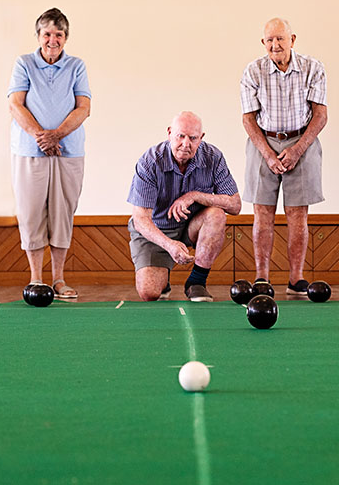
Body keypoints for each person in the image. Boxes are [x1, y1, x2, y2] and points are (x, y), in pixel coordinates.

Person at [240, 18, 328, 295]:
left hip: (303, 140)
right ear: (263, 43)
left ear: (292, 39)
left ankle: (296, 279)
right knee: (262, 213)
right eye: (270, 40)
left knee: (298, 215)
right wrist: (268, 154)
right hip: (263, 141)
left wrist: (298, 149)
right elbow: (248, 119)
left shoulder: (314, 68)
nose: (275, 45)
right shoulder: (252, 71)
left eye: (280, 38)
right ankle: (262, 278)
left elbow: (321, 115)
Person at [8, 8, 91, 299]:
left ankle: (58, 279)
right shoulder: (25, 63)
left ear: (65, 37)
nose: (52, 40)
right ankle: (36, 280)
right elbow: (16, 105)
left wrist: (57, 135)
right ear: (39, 36)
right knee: (31, 214)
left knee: (62, 215)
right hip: (30, 151)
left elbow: (83, 108)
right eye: (47, 34)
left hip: (68, 152)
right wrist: (40, 137)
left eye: (59, 34)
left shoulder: (76, 66)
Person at [127, 112, 241, 302]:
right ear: (170, 133)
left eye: (193, 138)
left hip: (192, 226)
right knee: (149, 292)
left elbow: (235, 205)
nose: (186, 144)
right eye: (180, 136)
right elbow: (140, 220)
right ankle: (164, 279)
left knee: (217, 214)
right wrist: (169, 245)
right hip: (157, 230)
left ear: (201, 138)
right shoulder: (149, 161)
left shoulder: (214, 157)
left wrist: (195, 196)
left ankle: (196, 282)